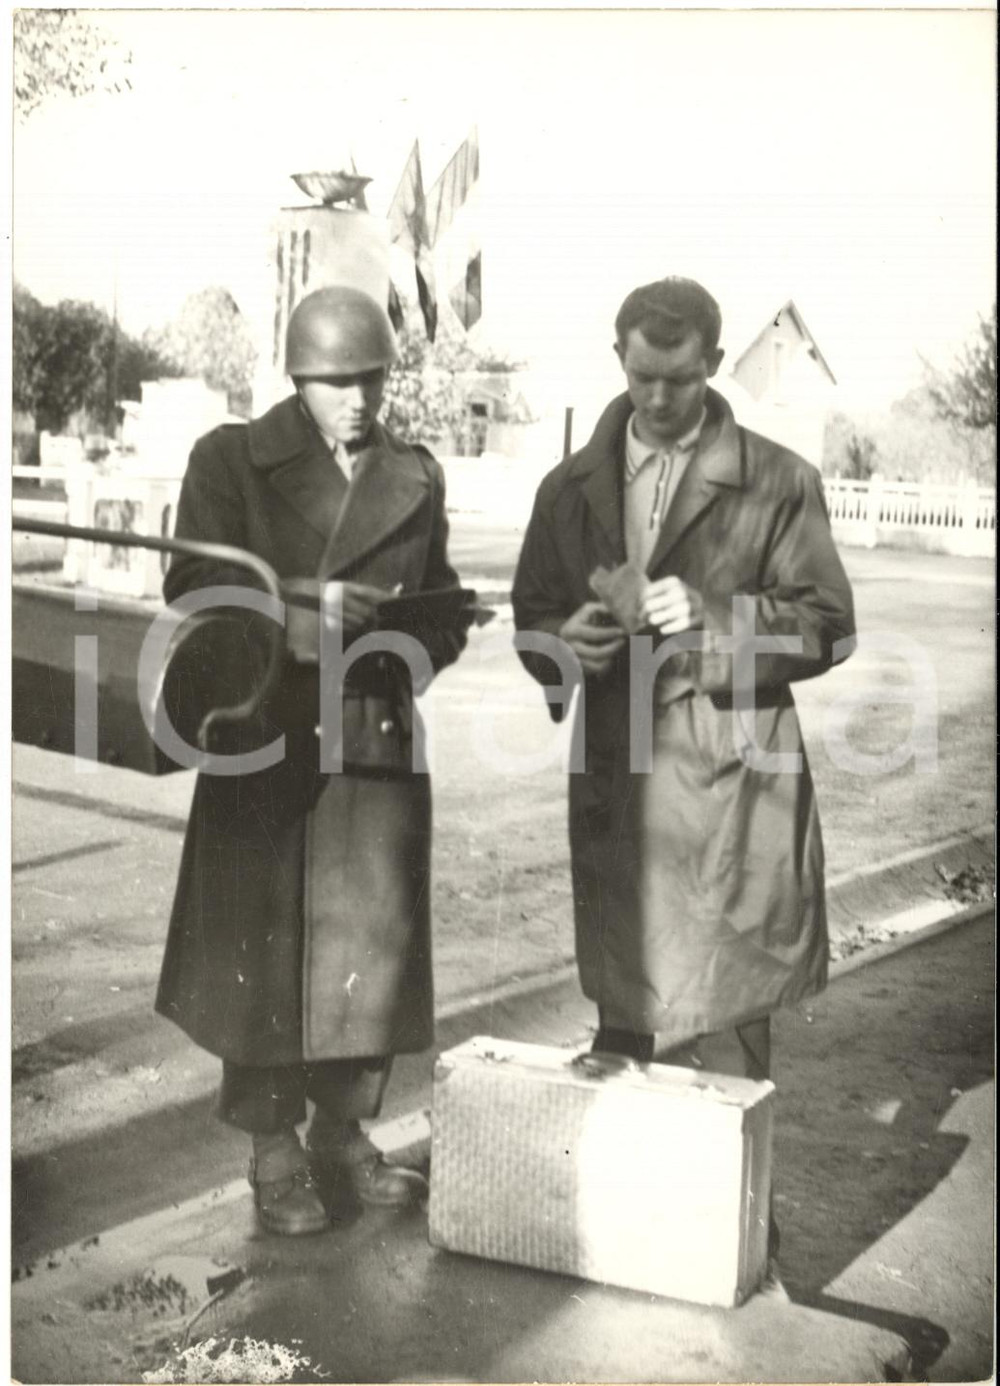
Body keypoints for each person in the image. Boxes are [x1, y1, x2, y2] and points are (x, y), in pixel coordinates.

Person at [512, 277, 855, 1264]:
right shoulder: (569, 488)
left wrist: (713, 631)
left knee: (729, 1014)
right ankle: (625, 1226)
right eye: (640, 376)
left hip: (734, 783)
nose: (658, 399)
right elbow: (533, 611)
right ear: (617, 359)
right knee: (625, 1003)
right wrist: (558, 644)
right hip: (621, 780)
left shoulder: (779, 481)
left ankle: (731, 1234)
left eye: (679, 378)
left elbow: (828, 625)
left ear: (711, 362)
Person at [156, 285, 468, 1236]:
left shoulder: (415, 476)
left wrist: (407, 638)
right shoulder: (230, 460)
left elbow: (444, 611)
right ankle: (271, 1150)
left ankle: (342, 1134)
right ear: (297, 375)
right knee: (260, 957)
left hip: (370, 740)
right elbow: (197, 595)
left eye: (371, 377)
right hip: (265, 741)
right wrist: (298, 621)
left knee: (364, 957)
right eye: (337, 381)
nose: (358, 398)